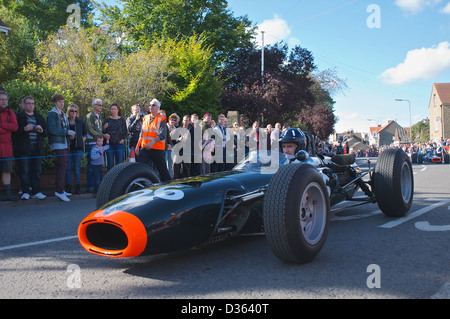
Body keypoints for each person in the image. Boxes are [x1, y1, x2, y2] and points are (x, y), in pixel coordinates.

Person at [14, 96, 48, 200]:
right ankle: (25, 191)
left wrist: (42, 131)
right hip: (23, 149)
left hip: (37, 148)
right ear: (23, 105)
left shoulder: (38, 116)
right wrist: (23, 129)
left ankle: (36, 191)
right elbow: (13, 132)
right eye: (28, 103)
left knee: (37, 170)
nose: (31, 105)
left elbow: (46, 132)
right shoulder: (18, 116)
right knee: (24, 171)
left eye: (32, 103)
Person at [47, 94, 75, 202]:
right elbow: (52, 129)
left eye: (62, 101)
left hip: (65, 143)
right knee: (62, 166)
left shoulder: (63, 114)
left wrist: (70, 134)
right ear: (54, 102)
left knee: (64, 166)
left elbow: (65, 127)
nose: (61, 103)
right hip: (58, 143)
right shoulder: (52, 114)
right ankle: (59, 191)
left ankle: (61, 189)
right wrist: (67, 132)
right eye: (59, 101)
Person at [135, 99, 171, 182]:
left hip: (157, 149)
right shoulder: (146, 117)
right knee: (140, 167)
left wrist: (152, 142)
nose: (151, 107)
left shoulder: (161, 118)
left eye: (153, 105)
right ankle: (140, 184)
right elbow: (142, 133)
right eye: (150, 105)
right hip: (145, 148)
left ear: (158, 107)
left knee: (162, 170)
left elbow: (162, 134)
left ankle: (169, 186)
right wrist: (137, 146)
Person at [84, 99, 109, 193]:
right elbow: (91, 130)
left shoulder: (99, 117)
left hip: (98, 144)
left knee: (98, 167)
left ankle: (97, 187)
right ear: (94, 106)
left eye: (101, 105)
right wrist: (103, 135)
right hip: (91, 143)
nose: (101, 107)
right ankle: (90, 186)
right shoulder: (90, 116)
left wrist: (103, 132)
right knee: (91, 166)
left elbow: (98, 129)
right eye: (99, 105)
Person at [0, 90, 18, 201]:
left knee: (7, 170)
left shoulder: (10, 112)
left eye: (5, 99)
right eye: (1, 99)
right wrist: (6, 128)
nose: (3, 101)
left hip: (7, 147)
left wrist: (3, 125)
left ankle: (7, 192)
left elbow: (15, 127)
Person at [65, 104, 86, 194]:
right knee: (68, 168)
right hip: (68, 147)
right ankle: (68, 187)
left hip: (78, 148)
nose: (73, 113)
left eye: (75, 111)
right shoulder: (65, 121)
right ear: (68, 112)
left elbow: (85, 133)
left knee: (77, 168)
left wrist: (83, 139)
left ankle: (77, 187)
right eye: (72, 111)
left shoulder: (80, 122)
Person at [103, 103, 127, 171]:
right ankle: (110, 179)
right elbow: (103, 132)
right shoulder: (107, 120)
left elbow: (125, 132)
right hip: (109, 144)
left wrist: (123, 139)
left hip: (119, 144)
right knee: (110, 163)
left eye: (115, 109)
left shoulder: (122, 120)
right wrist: (104, 128)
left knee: (120, 163)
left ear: (118, 110)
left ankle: (120, 179)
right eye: (112, 109)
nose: (113, 110)